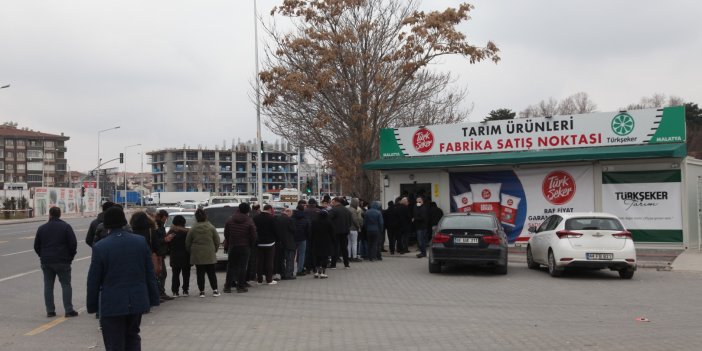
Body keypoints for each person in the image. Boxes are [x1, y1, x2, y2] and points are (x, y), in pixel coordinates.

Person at [86, 206, 160, 350]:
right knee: (133, 336)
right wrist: (153, 298)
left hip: (112, 303)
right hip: (137, 301)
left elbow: (93, 280)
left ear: (106, 225)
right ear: (124, 222)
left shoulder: (101, 247)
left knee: (114, 341)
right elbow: (149, 273)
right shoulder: (140, 242)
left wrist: (92, 305)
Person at [34, 206, 78, 318]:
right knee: (66, 285)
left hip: (47, 261)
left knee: (48, 286)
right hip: (63, 261)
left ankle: (50, 311)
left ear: (50, 214)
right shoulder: (66, 227)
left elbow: (36, 246)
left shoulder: (42, 228)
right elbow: (73, 244)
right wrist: (70, 257)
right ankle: (68, 310)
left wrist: (42, 255)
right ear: (60, 215)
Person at [185, 209, 221, 298]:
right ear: (206, 216)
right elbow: (217, 241)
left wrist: (191, 252)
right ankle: (215, 290)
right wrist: (214, 250)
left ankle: (202, 291)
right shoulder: (211, 227)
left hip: (197, 254)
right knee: (211, 273)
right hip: (209, 252)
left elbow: (187, 243)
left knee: (200, 273)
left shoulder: (193, 229)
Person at [223, 203, 257, 293]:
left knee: (231, 266)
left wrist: (229, 241)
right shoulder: (249, 221)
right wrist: (251, 244)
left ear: (239, 209)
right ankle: (240, 287)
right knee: (243, 267)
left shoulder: (230, 219)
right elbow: (254, 235)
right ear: (248, 211)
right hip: (245, 246)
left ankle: (227, 287)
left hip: (233, 245)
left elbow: (226, 233)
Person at [166, 215, 191, 297]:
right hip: (186, 255)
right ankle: (185, 290)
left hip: (174, 255)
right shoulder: (187, 232)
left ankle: (175, 291)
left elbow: (167, 244)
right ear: (184, 222)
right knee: (186, 274)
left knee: (175, 274)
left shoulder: (171, 232)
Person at [253, 204, 277, 285]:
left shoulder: (256, 218)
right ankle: (269, 279)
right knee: (269, 261)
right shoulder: (272, 218)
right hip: (270, 243)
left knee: (259, 262)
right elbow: (275, 230)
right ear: (270, 209)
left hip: (259, 243)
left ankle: (259, 280)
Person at [329, 197, 353, 269]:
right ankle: (346, 264)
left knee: (335, 248)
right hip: (345, 231)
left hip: (335, 232)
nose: (332, 203)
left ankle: (333, 265)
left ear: (336, 202)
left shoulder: (333, 210)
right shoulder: (347, 210)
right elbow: (350, 221)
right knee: (344, 248)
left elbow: (329, 220)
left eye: (333, 202)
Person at [310, 210, 334, 279]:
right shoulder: (329, 222)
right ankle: (323, 273)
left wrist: (311, 241)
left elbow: (311, 232)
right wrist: (333, 241)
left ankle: (317, 272)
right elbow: (332, 233)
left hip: (316, 242)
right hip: (326, 242)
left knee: (317, 257)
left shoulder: (314, 222)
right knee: (325, 257)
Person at [275, 207, 297, 280]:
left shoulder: (277, 219)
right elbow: (293, 230)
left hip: (280, 242)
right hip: (289, 242)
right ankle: (289, 274)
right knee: (290, 259)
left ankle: (282, 274)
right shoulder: (289, 219)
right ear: (289, 212)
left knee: (281, 260)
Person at [292, 204, 310, 277]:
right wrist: (307, 237)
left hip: (293, 239)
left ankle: (290, 270)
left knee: (292, 255)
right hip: (302, 238)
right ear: (303, 210)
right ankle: (300, 270)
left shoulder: (292, 218)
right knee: (302, 254)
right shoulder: (305, 219)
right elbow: (308, 230)